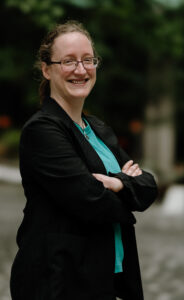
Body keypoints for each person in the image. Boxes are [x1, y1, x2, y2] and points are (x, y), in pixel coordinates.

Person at [10, 20, 157, 300]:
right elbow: (90, 201)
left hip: (111, 276)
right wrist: (129, 190)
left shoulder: (98, 128)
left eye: (88, 60)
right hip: (60, 280)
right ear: (47, 69)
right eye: (68, 61)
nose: (81, 69)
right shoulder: (42, 130)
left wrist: (118, 185)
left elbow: (149, 186)